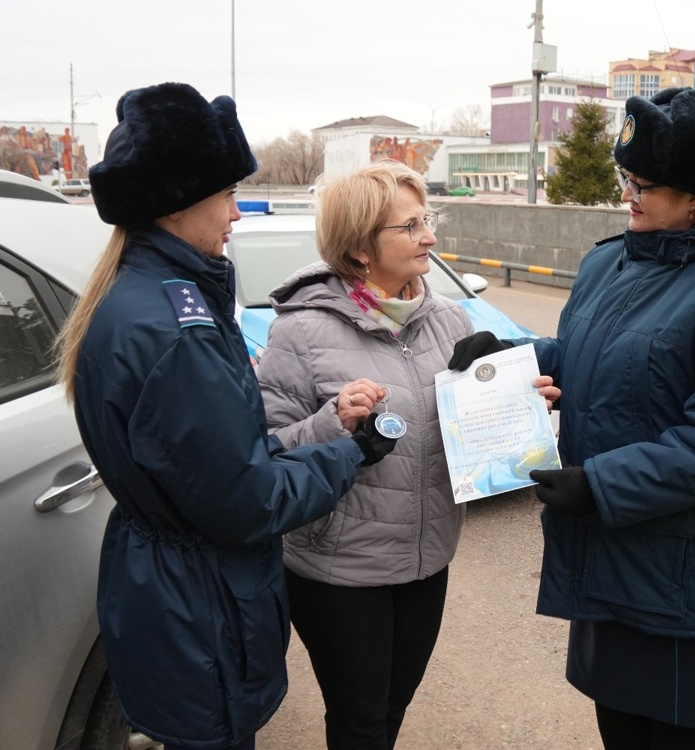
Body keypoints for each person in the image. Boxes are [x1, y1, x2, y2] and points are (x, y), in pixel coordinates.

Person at [448, 87, 695, 750]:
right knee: (616, 724)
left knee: (667, 734)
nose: (630, 195)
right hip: (609, 551)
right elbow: (588, 360)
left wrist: (601, 485)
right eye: (628, 179)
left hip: (677, 572)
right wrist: (512, 358)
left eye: (648, 185)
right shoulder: (611, 261)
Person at [55, 82, 398, 750]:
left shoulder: (145, 299)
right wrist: (352, 450)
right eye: (226, 196)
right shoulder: (173, 332)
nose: (236, 214)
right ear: (178, 204)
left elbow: (223, 457)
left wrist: (318, 437)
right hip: (200, 607)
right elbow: (246, 501)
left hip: (171, 591)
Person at [253, 160, 560, 750]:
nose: (431, 237)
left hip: (426, 557)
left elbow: (465, 435)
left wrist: (517, 406)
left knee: (392, 709)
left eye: (428, 220)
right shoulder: (301, 330)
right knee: (360, 721)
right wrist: (332, 421)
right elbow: (268, 449)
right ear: (363, 246)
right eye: (411, 225)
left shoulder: (448, 318)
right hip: (339, 568)